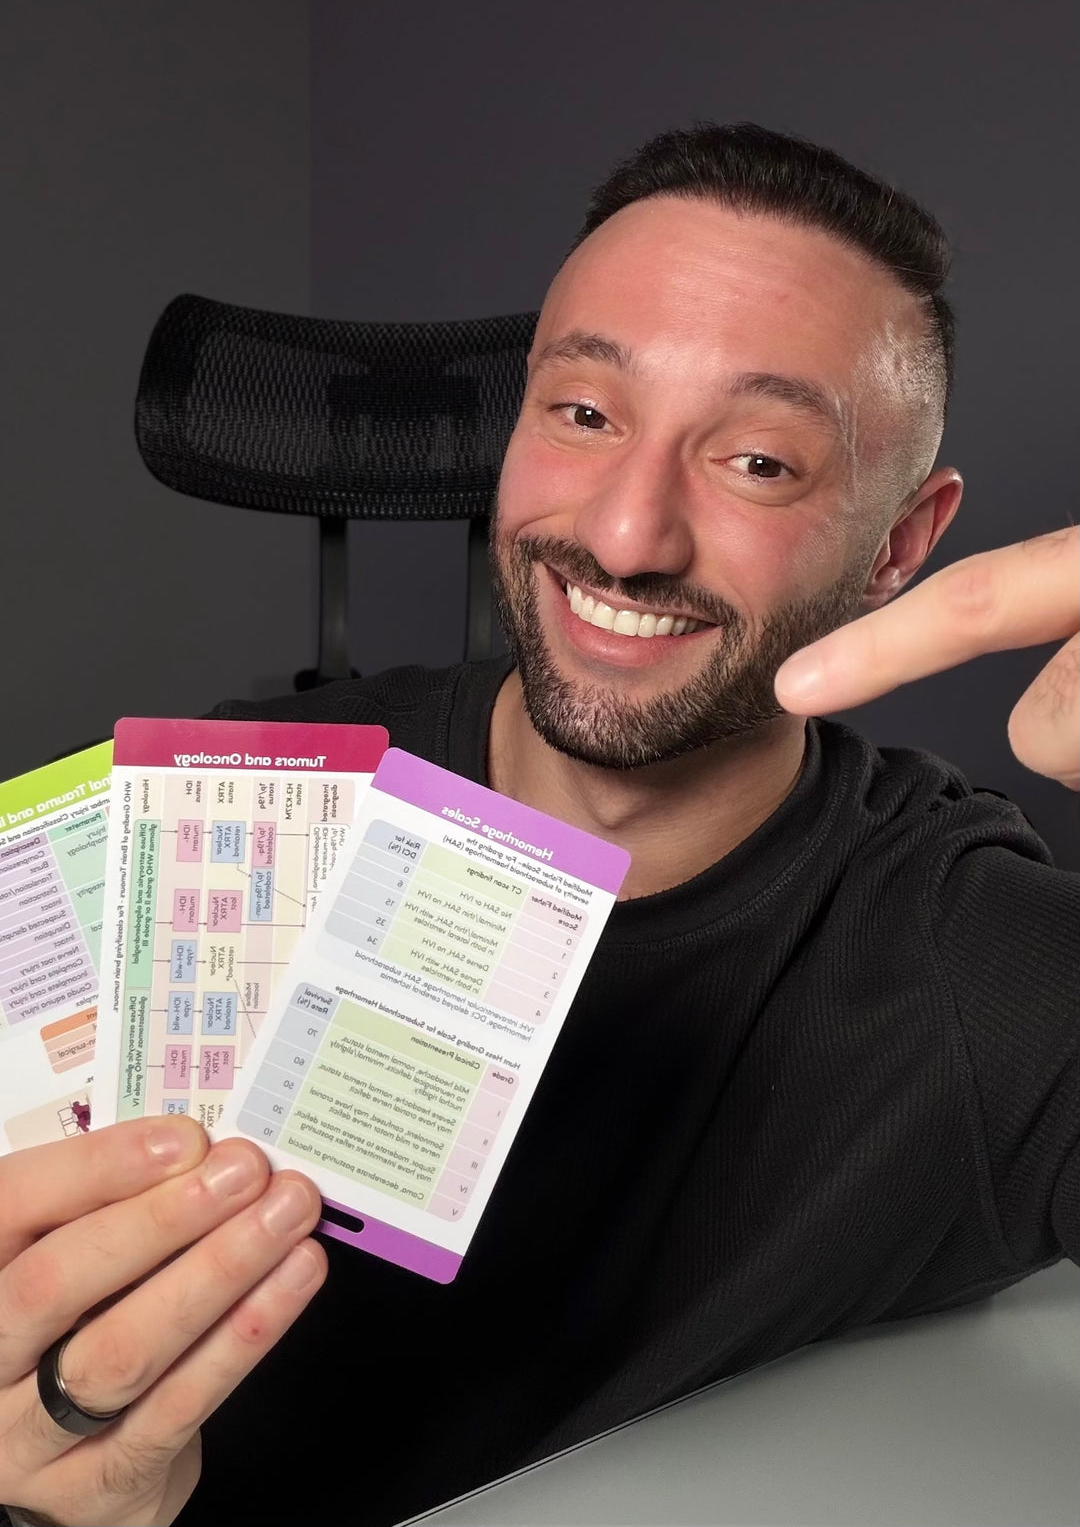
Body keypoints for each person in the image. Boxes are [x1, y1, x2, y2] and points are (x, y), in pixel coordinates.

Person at [1, 122, 1077, 1527]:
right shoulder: (201, 819)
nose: (626, 536)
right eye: (582, 413)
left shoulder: (975, 966)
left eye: (760, 461)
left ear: (900, 544)